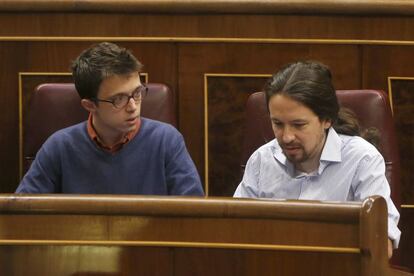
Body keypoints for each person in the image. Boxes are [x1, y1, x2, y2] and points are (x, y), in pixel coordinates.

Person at [234, 61, 400, 258]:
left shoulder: (362, 160)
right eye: (277, 123)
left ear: (327, 119)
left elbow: (381, 244)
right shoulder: (262, 160)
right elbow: (236, 232)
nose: (286, 137)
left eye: (299, 125)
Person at [16, 42, 204, 196]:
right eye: (118, 99)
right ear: (90, 105)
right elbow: (25, 215)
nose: (133, 107)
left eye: (137, 93)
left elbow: (194, 217)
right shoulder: (59, 146)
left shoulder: (167, 140)